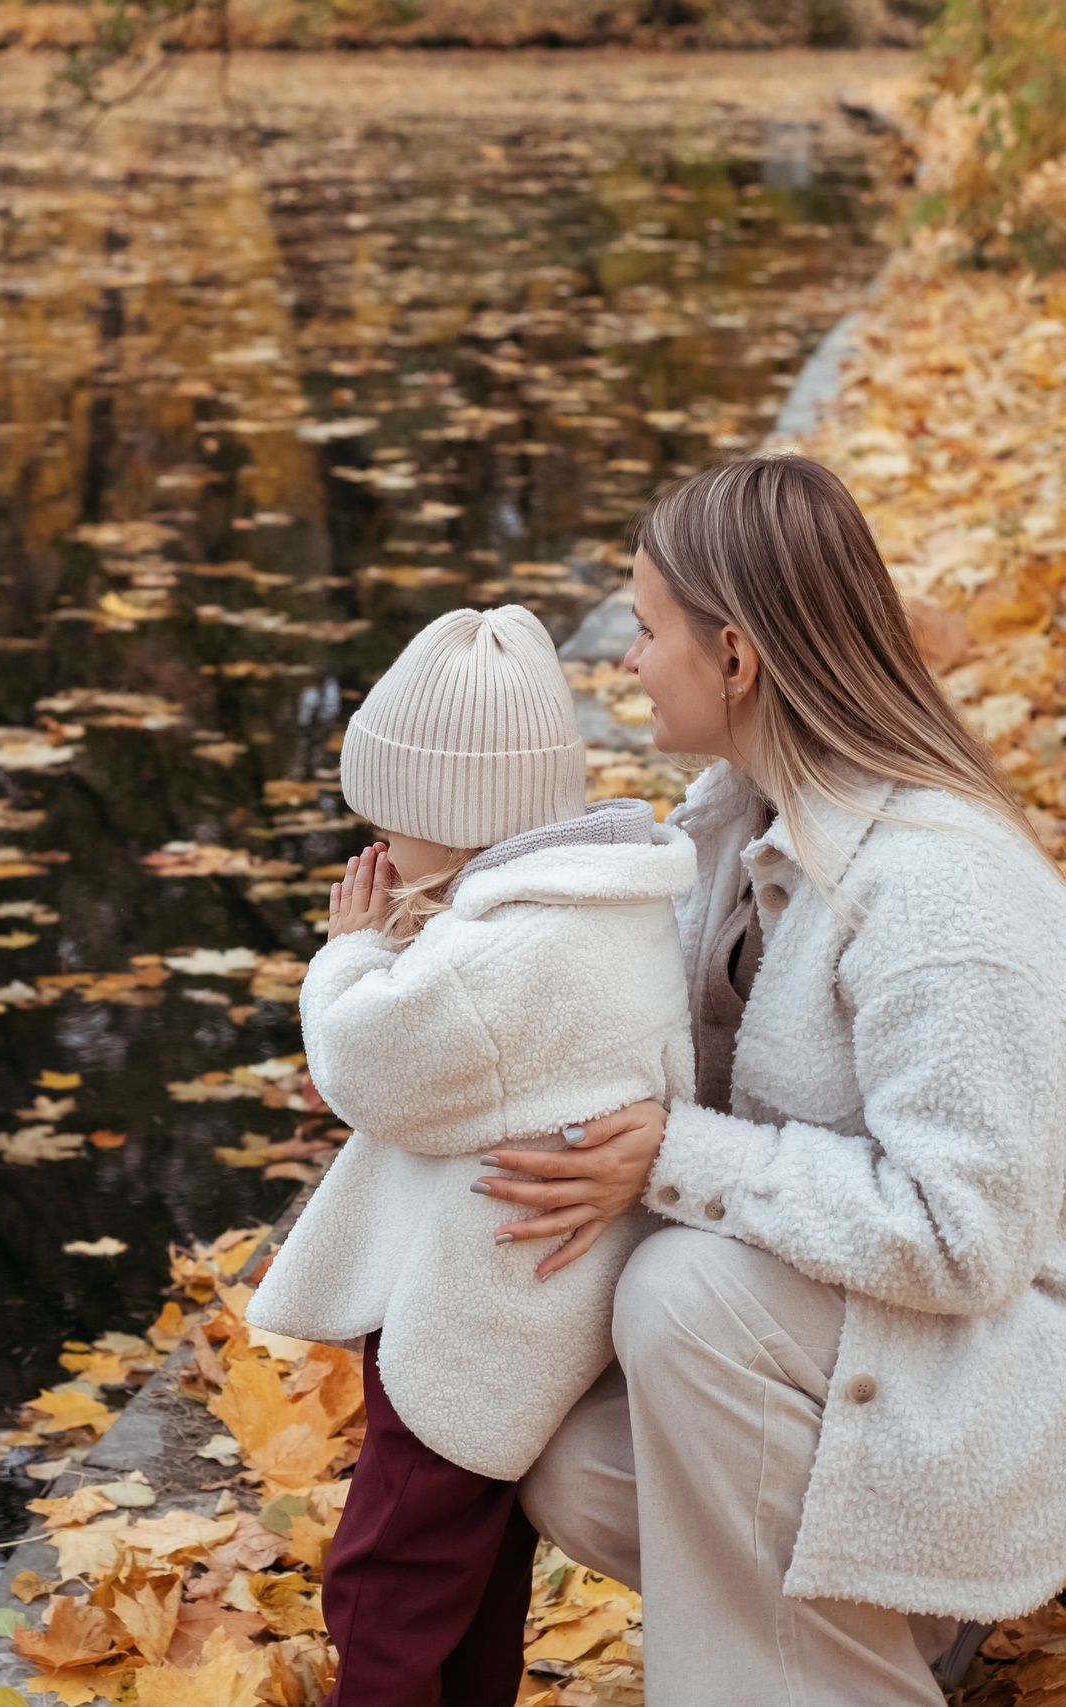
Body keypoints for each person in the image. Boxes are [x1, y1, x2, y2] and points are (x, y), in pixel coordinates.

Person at [479, 455, 1066, 1704]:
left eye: (646, 630)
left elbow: (966, 1237)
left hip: (1029, 1357)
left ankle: (848, 1659)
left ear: (737, 658)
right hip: (893, 1342)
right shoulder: (734, 825)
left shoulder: (940, 890)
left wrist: (672, 1157)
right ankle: (891, 1629)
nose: (625, 663)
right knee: (570, 1456)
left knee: (685, 1293)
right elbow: (614, 1035)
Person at [246, 604, 700, 1707]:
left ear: (450, 815)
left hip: (472, 1316)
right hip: (537, 1299)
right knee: (474, 1570)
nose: (381, 847)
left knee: (386, 1574)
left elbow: (363, 1063)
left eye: (392, 821)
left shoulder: (499, 958)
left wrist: (351, 950)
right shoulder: (607, 899)